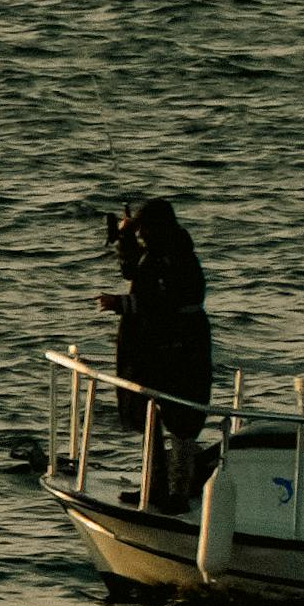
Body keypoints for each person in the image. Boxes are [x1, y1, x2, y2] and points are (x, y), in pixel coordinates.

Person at [99, 197, 213, 512]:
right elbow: (134, 269)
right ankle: (153, 487)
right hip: (157, 350)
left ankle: (179, 493)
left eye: (144, 229)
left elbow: (166, 300)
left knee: (182, 421)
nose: (142, 235)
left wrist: (122, 304)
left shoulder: (177, 257)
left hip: (182, 349)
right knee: (152, 418)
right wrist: (123, 237)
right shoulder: (160, 253)